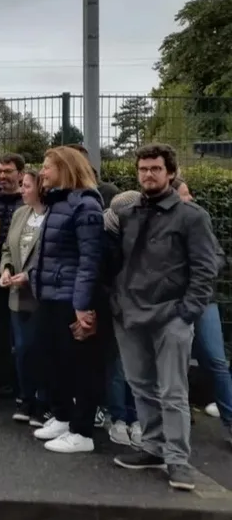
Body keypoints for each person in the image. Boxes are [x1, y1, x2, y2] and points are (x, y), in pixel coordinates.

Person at [109, 144, 220, 491]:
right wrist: (117, 303)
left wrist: (186, 312)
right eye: (143, 169)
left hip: (171, 315)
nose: (148, 175)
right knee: (141, 386)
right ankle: (153, 448)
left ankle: (178, 460)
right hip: (130, 315)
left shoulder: (193, 216)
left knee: (173, 391)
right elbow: (118, 263)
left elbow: (206, 270)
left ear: (170, 173)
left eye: (155, 168)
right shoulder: (129, 215)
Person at [30, 146, 104, 454]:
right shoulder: (58, 204)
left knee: (79, 367)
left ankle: (82, 431)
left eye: (48, 167)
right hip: (49, 295)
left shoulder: (85, 205)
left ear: (66, 169)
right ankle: (62, 416)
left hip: (71, 298)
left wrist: (82, 304)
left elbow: (90, 259)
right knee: (53, 360)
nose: (42, 172)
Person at [0, 169, 47, 423]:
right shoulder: (20, 214)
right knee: (22, 350)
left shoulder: (52, 215)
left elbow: (54, 254)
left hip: (41, 295)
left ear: (40, 187)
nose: (21, 190)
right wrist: (6, 269)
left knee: (41, 349)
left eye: (26, 186)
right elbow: (8, 247)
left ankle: (44, 401)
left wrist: (30, 275)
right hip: (17, 295)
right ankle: (26, 398)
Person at [102, 190, 143, 447]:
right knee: (118, 366)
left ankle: (137, 418)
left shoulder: (142, 234)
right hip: (117, 308)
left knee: (138, 369)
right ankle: (117, 417)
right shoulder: (107, 237)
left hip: (140, 309)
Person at [0, 153, 25, 394]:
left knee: (20, 334)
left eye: (8, 172)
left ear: (20, 174)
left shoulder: (28, 203)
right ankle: (2, 380)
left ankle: (21, 384)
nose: (2, 176)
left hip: (22, 277)